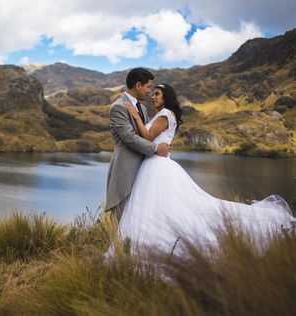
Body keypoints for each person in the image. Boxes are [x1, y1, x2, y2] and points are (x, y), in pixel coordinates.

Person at [112, 83, 295, 256]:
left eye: (157, 94)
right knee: (163, 205)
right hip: (154, 163)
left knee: (162, 204)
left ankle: (151, 239)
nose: (153, 97)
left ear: (166, 97)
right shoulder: (165, 114)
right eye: (152, 94)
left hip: (157, 165)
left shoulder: (166, 114)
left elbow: (148, 135)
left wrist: (135, 117)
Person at [105, 68, 170, 223]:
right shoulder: (118, 107)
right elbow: (129, 137)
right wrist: (156, 148)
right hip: (125, 169)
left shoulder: (142, 108)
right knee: (119, 219)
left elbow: (146, 135)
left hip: (144, 170)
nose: (150, 91)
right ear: (138, 85)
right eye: (148, 87)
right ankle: (116, 246)